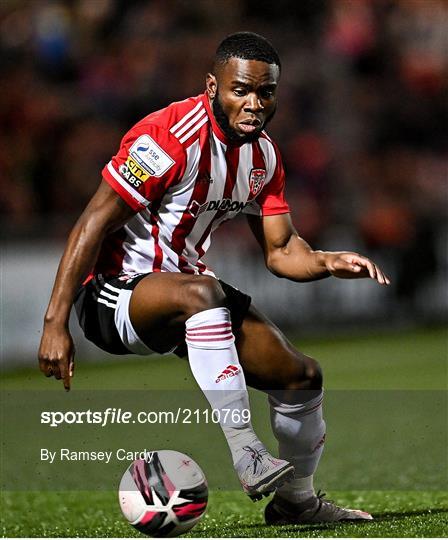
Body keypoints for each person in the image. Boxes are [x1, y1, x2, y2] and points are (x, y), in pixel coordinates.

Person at [38, 32, 389, 524]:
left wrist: (326, 261)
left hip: (190, 299)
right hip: (112, 296)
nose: (253, 104)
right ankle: (245, 449)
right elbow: (92, 221)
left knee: (301, 377)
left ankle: (297, 503)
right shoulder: (166, 139)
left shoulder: (263, 157)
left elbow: (283, 250)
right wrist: (56, 324)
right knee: (206, 292)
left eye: (265, 93)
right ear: (212, 87)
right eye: (240, 90)